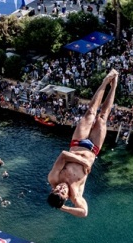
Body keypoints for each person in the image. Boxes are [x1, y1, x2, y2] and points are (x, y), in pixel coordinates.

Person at [47, 69, 118, 217]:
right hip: (93, 149)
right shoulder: (76, 195)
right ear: (66, 198)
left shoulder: (53, 178)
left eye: (57, 189)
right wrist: (62, 208)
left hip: (78, 143)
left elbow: (64, 155)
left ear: (52, 189)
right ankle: (114, 83)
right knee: (102, 117)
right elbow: (83, 213)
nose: (61, 188)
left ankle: (105, 81)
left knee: (91, 112)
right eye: (62, 192)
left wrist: (83, 163)